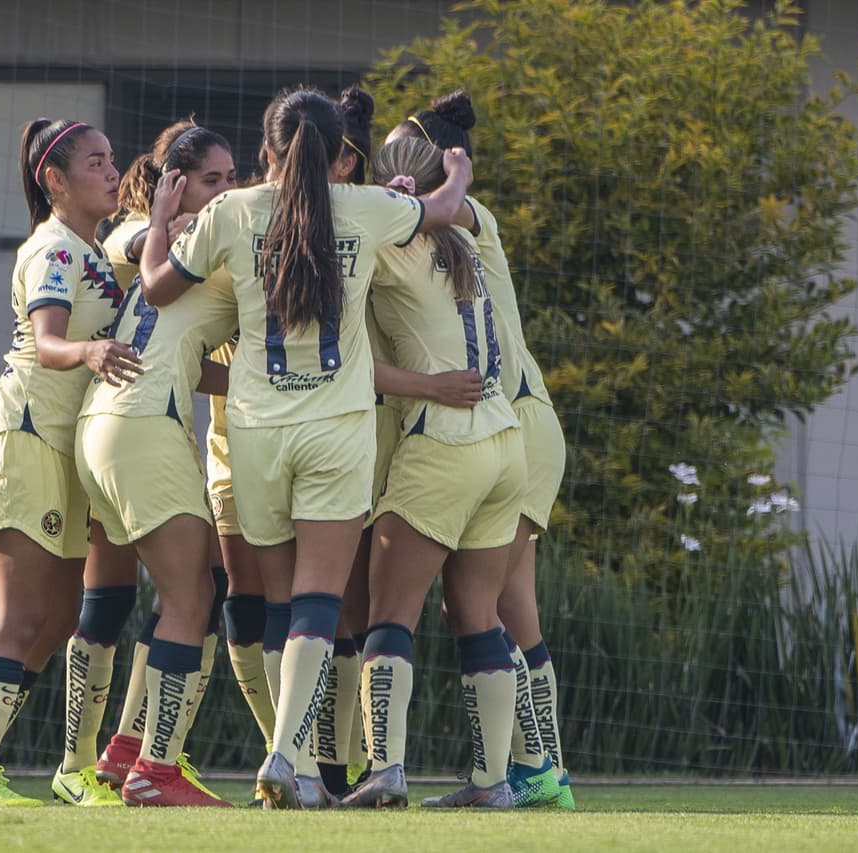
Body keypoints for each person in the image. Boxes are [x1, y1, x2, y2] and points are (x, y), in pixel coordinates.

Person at [139, 86, 474, 809]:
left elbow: (160, 288)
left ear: (267, 151)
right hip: (337, 428)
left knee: (281, 603)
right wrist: (456, 174)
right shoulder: (364, 207)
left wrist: (162, 220)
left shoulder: (232, 211)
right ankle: (288, 756)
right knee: (322, 602)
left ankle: (292, 761)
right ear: (339, 156)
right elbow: (444, 212)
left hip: (256, 430)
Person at [0, 118, 141, 807]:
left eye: (113, 160)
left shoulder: (92, 248)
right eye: (95, 163)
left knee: (60, 618)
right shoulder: (54, 249)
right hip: (22, 441)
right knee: (25, 616)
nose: (112, 172)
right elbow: (50, 341)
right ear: (54, 181)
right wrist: (89, 352)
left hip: (62, 451)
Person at [389, 91, 573, 809]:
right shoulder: (435, 233)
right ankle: (532, 769)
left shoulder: (468, 217)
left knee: (501, 604)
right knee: (477, 605)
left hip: (512, 421)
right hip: (508, 421)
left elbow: (448, 206)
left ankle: (540, 768)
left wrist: (419, 185)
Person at [335, 136, 526, 810]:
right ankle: (492, 783)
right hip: (506, 442)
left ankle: (384, 769)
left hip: (442, 438)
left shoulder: (387, 245)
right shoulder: (470, 240)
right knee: (476, 612)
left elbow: (340, 361)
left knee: (389, 613)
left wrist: (428, 385)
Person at [76, 119, 239, 807]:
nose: (228, 190)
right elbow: (141, 242)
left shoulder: (153, 238)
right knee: (191, 597)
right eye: (214, 179)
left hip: (107, 426)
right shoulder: (170, 238)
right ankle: (157, 771)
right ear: (174, 182)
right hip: (141, 427)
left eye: (234, 178)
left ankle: (125, 750)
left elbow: (186, 359)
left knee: (201, 581)